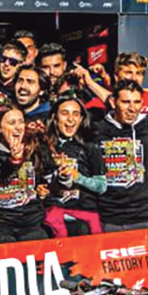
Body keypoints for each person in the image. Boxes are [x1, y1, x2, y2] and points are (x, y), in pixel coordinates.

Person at [0, 106, 54, 244]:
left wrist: (59, 180)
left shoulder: (34, 149)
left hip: (31, 223)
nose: (18, 127)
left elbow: (50, 175)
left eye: (21, 122)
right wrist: (13, 161)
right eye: (12, 123)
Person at [90, 81, 148, 232]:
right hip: (109, 218)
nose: (132, 108)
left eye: (137, 102)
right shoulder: (96, 130)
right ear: (113, 102)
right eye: (126, 102)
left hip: (147, 217)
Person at [44, 95, 106, 237]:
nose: (70, 119)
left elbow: (101, 186)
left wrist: (77, 177)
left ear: (81, 119)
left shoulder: (90, 146)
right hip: (54, 217)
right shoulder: (44, 146)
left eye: (76, 114)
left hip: (85, 215)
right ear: (54, 117)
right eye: (65, 113)